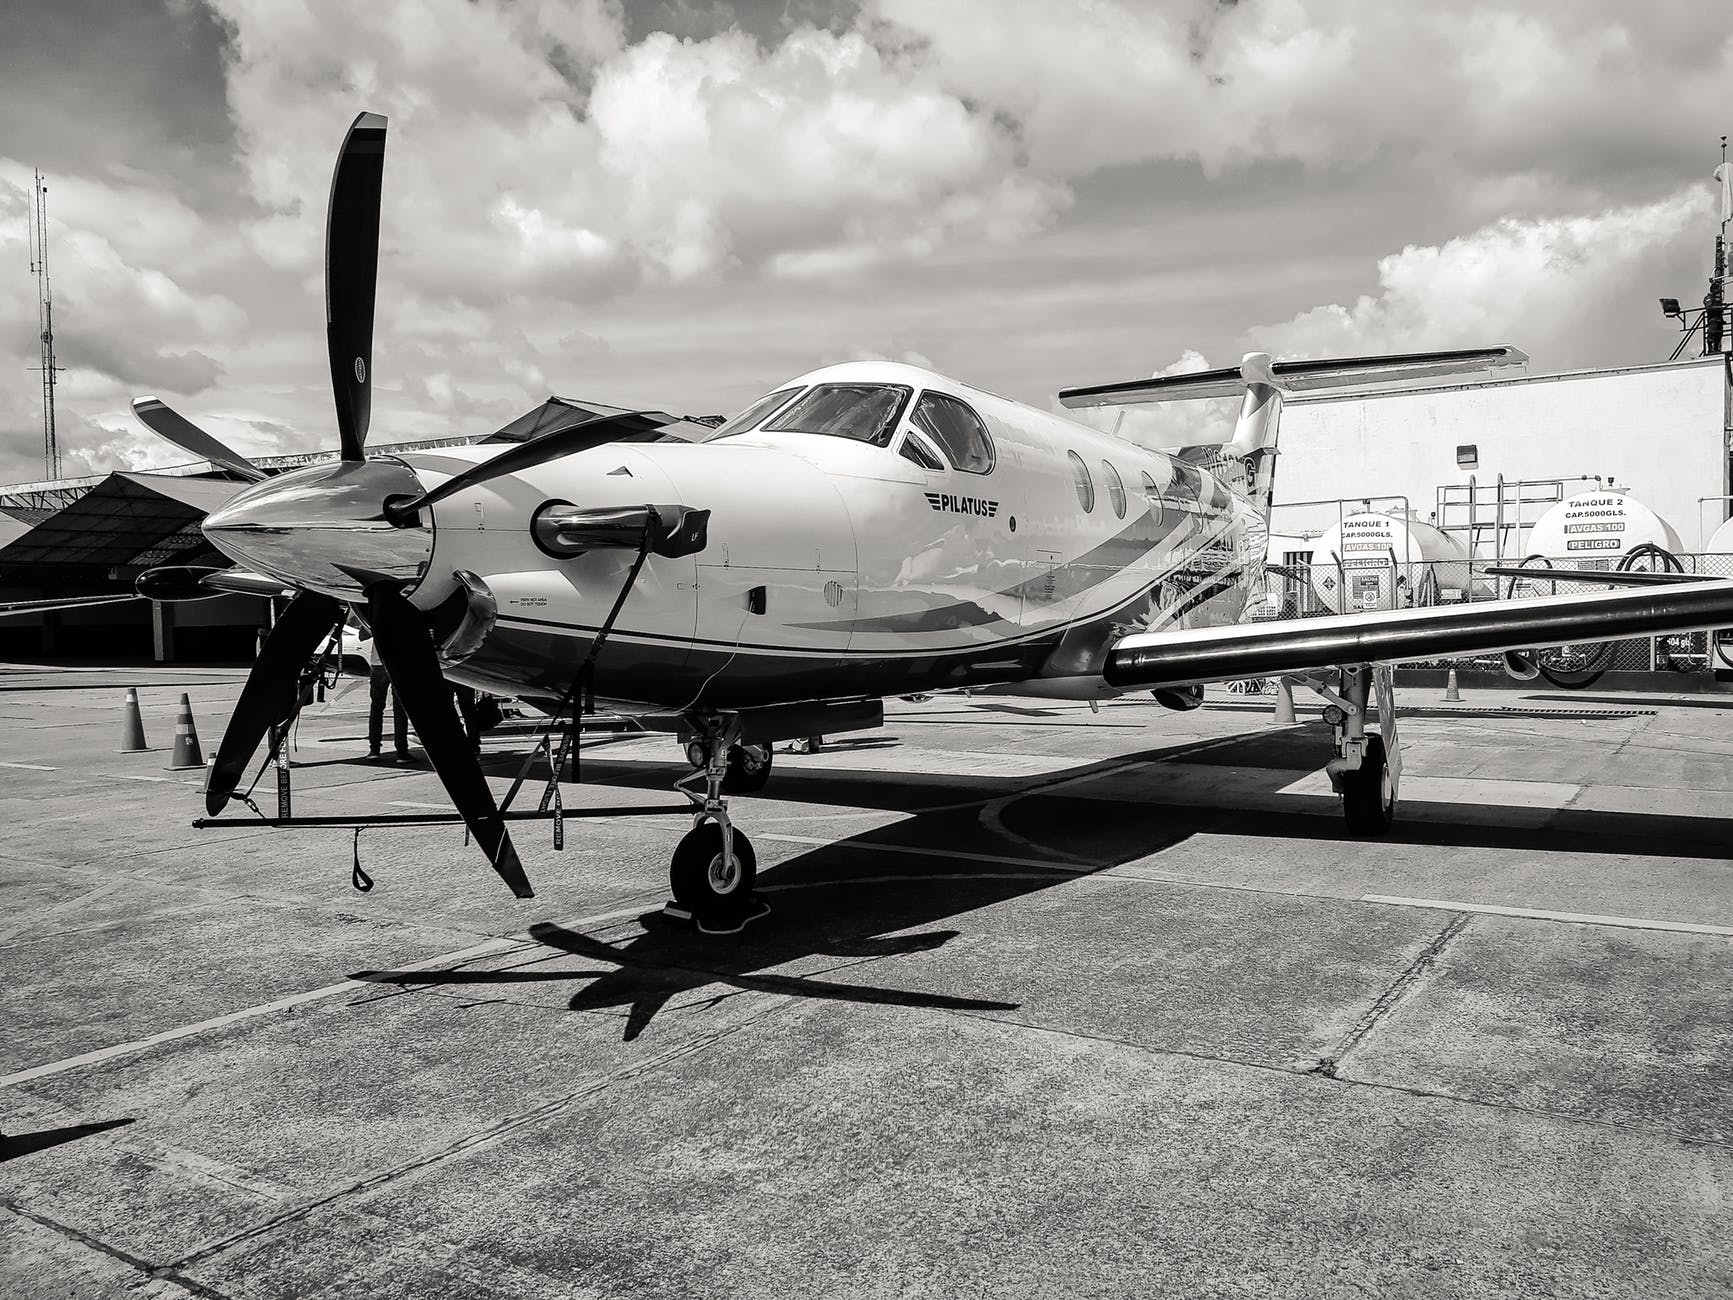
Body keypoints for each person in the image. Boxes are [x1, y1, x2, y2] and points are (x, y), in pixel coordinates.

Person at [364, 634, 411, 762]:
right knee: (400, 709)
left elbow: (362, 635)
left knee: (376, 707)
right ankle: (401, 751)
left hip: (378, 663)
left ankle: (374, 749)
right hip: (398, 662)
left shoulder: (374, 617)